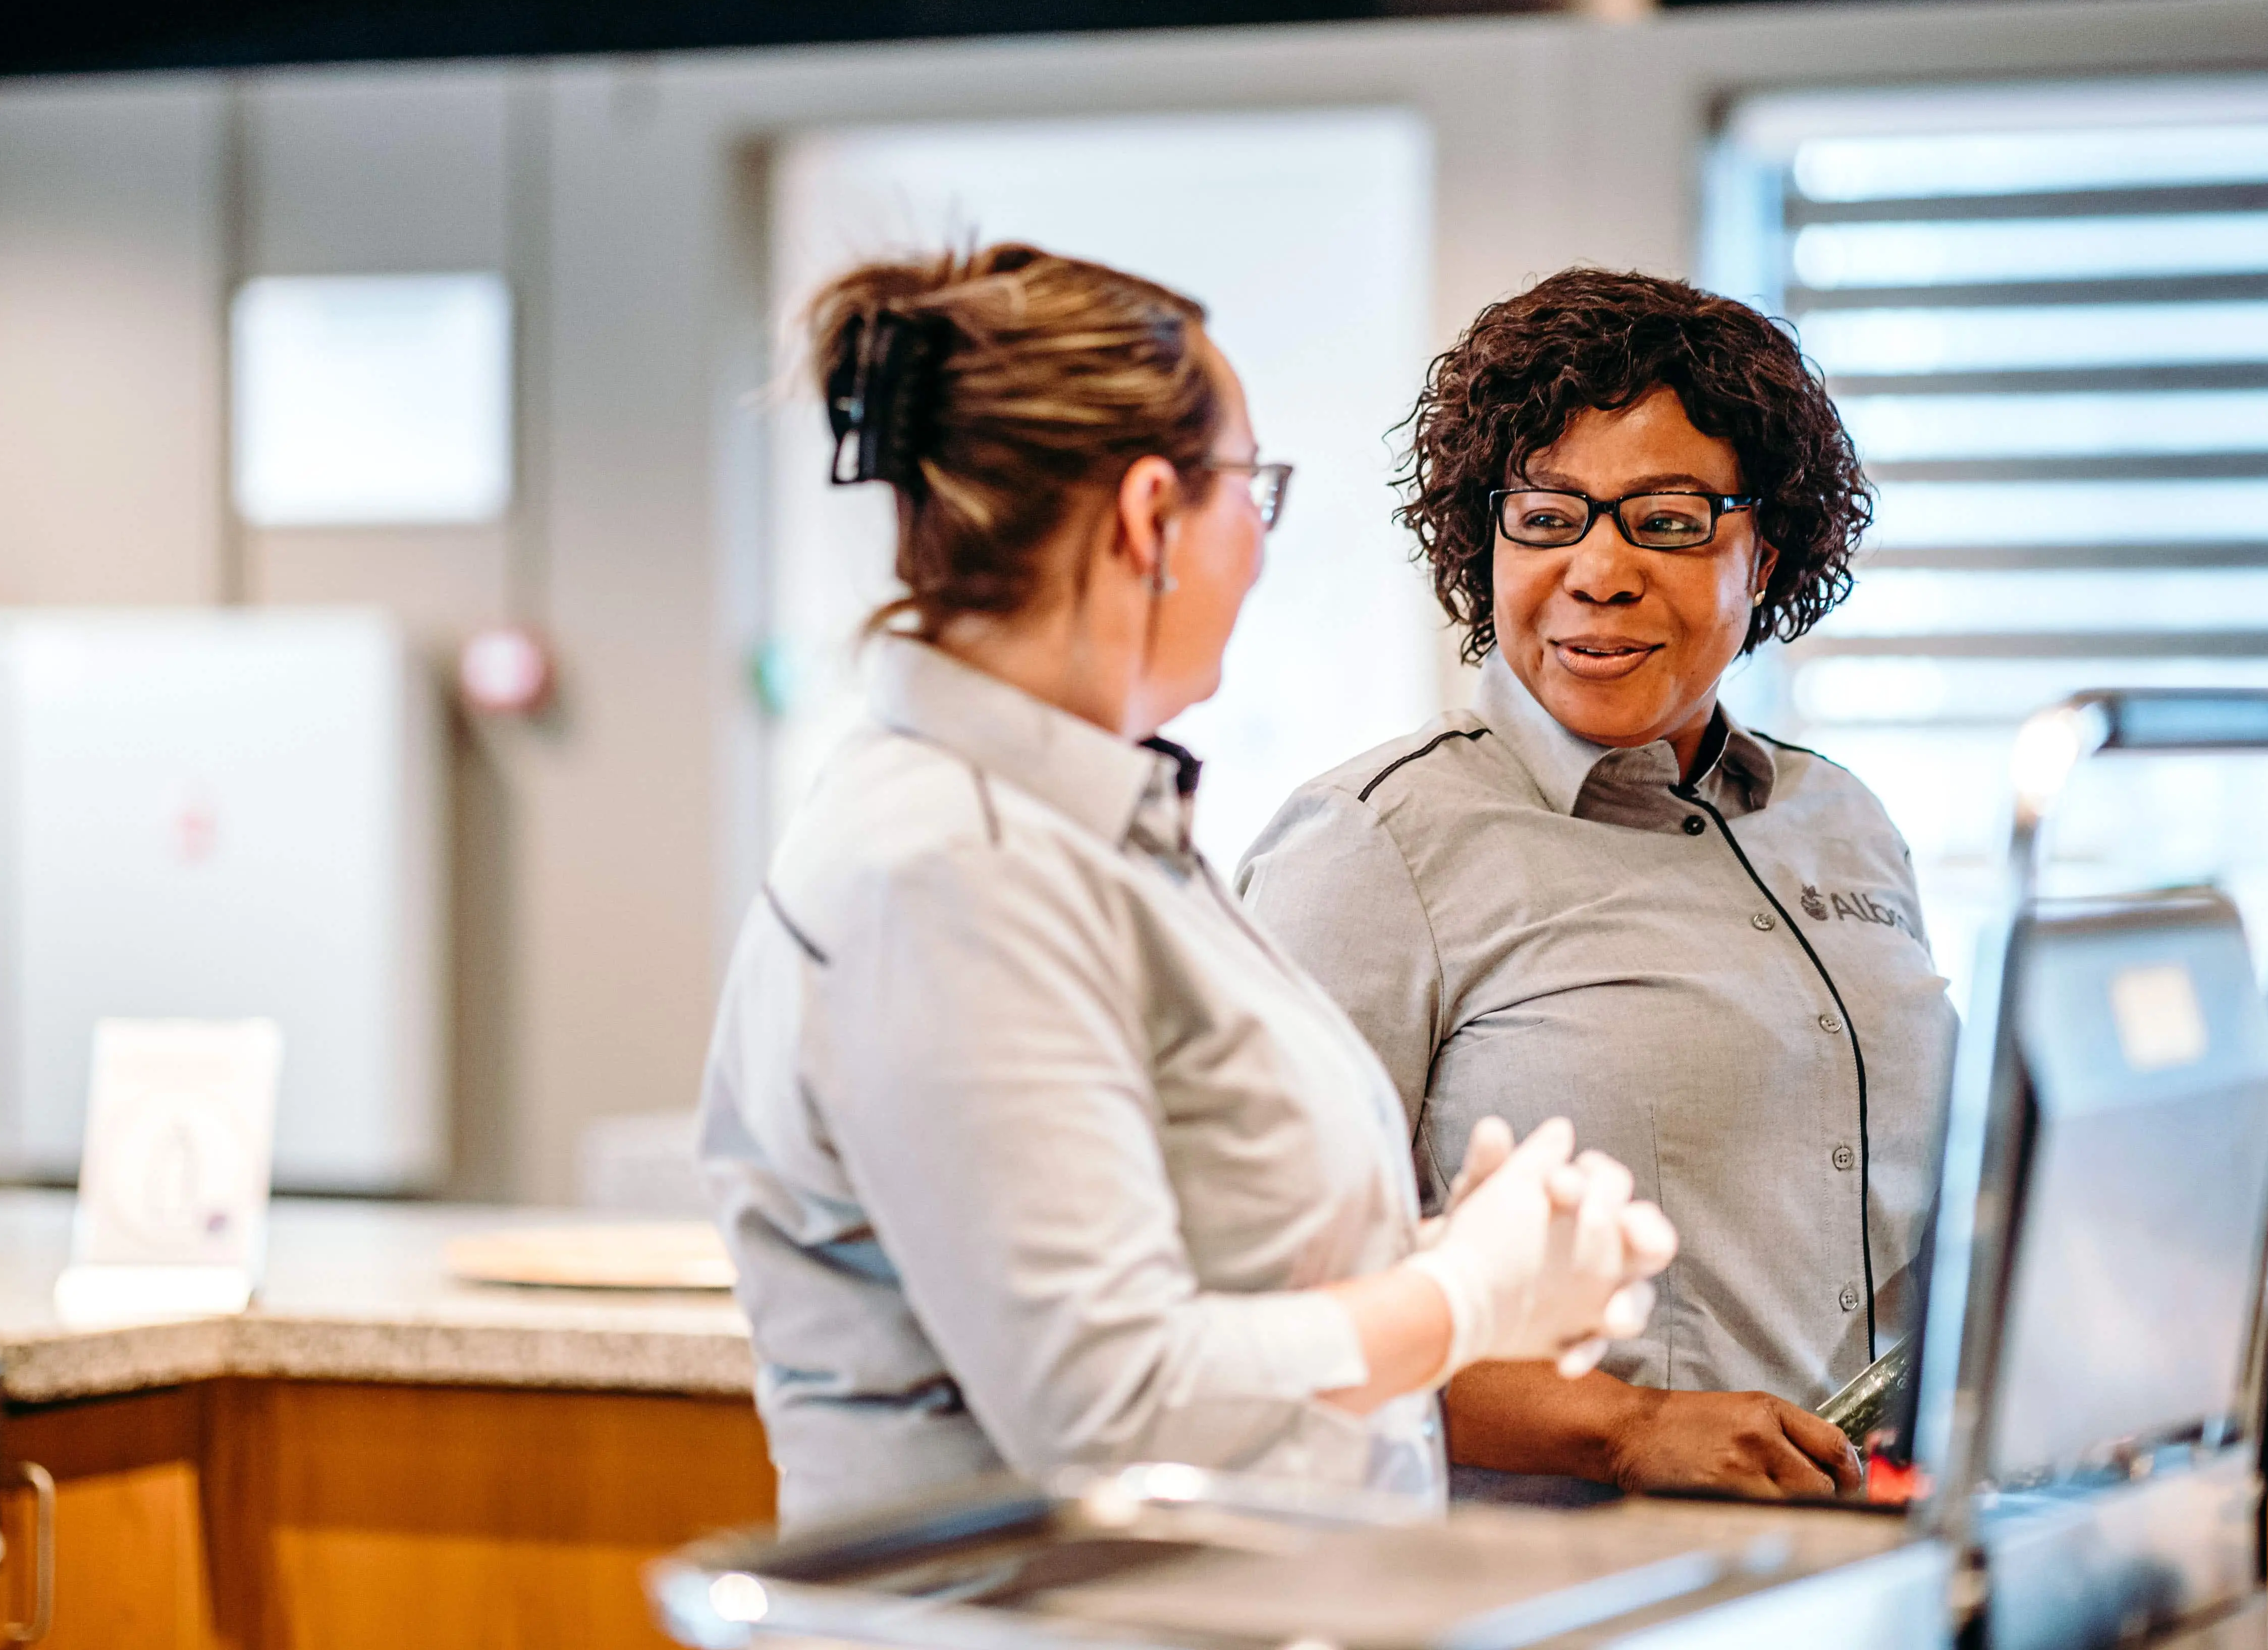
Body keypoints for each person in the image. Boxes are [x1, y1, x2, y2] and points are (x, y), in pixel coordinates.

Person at [698, 244, 1679, 1528]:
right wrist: (1464, 1303)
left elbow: (1203, 1282)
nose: (1259, 552)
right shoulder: (952, 866)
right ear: (1148, 516)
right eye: (1248, 492)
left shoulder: (1077, 826)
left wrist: (1451, 1258)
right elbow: (1113, 1407)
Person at [1237, 268, 1956, 1506]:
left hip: (1865, 1560)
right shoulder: (1372, 846)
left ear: (1763, 551)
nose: (1600, 570)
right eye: (1548, 514)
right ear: (1486, 538)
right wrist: (1627, 1423)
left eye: (1667, 521)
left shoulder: (1843, 825)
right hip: (1572, 1585)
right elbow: (1256, 1311)